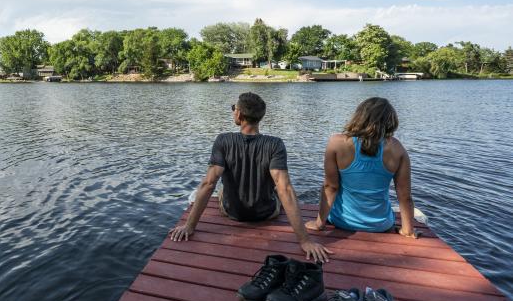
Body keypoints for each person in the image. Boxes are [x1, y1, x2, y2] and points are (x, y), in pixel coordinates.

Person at [169, 92, 332, 263]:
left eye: (234, 109)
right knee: (280, 187)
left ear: (239, 114)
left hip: (231, 212)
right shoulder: (275, 144)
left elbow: (208, 183)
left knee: (220, 186)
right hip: (266, 213)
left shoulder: (223, 140)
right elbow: (285, 189)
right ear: (260, 117)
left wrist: (189, 226)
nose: (233, 112)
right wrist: (305, 241)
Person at [305, 97, 419, 238]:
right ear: (390, 121)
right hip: (381, 225)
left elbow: (330, 187)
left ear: (359, 116)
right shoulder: (398, 149)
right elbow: (404, 196)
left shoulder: (336, 143)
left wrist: (319, 224)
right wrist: (407, 231)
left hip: (342, 221)